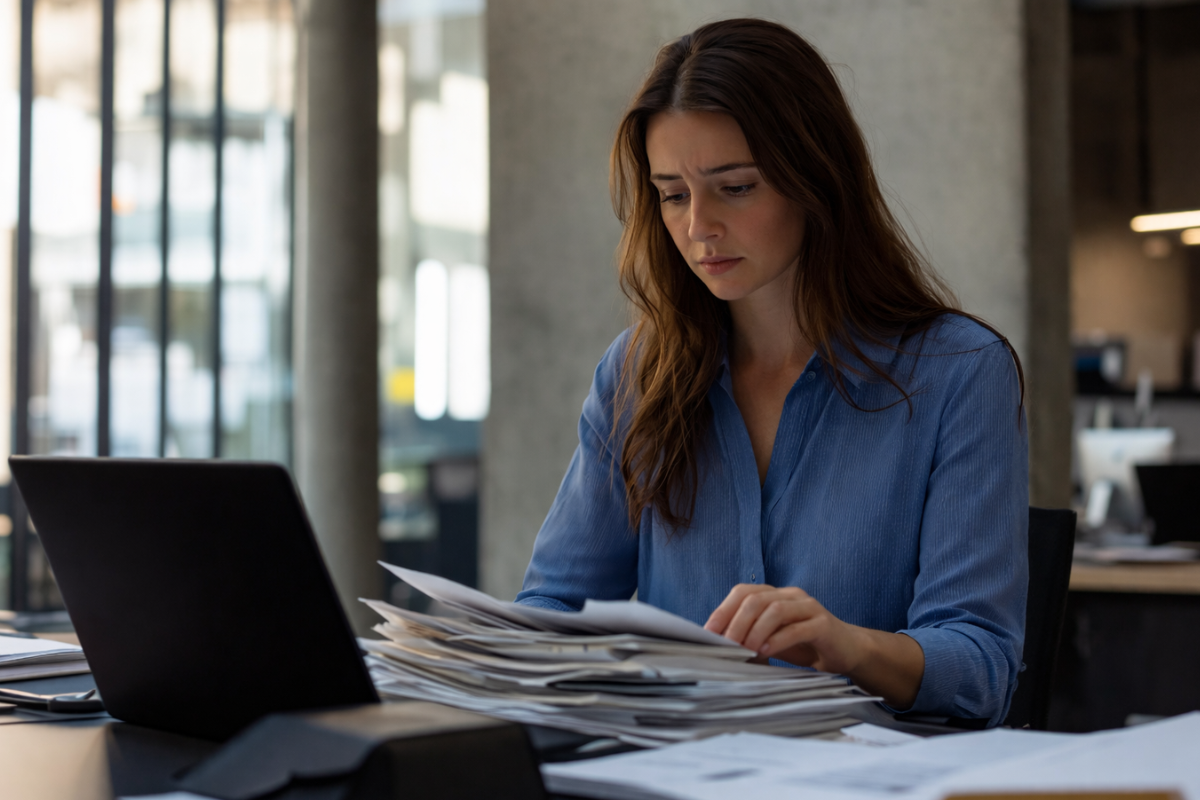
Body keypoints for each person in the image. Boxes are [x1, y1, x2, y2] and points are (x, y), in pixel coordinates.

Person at [514, 18, 1028, 726]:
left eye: (734, 186)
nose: (698, 226)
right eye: (672, 194)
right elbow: (550, 605)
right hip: (676, 773)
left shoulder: (959, 373)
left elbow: (982, 667)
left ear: (815, 179)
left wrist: (848, 646)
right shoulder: (635, 374)